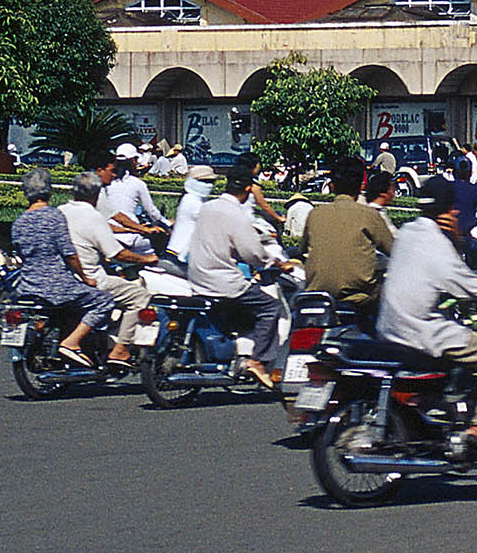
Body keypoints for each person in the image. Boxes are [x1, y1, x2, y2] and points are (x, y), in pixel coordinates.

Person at [375, 175, 477, 458]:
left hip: (390, 327)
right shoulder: (436, 242)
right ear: (447, 209)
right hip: (422, 331)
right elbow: (468, 285)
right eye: (453, 207)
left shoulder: (409, 231)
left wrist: (454, 239)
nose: (457, 211)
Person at [185, 160, 297, 389]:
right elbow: (253, 252)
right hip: (223, 281)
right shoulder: (238, 214)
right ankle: (257, 360)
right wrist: (275, 263)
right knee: (270, 307)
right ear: (248, 190)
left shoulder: (207, 207)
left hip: (197, 277)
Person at [10, 168, 119, 367]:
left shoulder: (19, 222)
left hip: (26, 285)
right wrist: (86, 278)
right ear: (49, 191)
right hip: (57, 286)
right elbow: (69, 253)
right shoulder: (54, 216)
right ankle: (72, 342)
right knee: (104, 300)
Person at [60, 173, 153, 369]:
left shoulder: (60, 211)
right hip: (92, 279)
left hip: (65, 278)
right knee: (139, 296)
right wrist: (147, 258)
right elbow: (117, 253)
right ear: (96, 194)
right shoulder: (94, 216)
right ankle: (120, 349)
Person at [301, 157, 393, 313]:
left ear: (331, 186)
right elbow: (394, 251)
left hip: (315, 298)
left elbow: (302, 248)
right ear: (361, 187)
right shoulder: (370, 215)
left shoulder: (315, 214)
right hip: (360, 301)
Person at [102, 144, 171, 255]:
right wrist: (167, 224)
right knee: (156, 249)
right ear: (133, 160)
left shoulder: (107, 182)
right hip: (129, 236)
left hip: (107, 233)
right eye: (137, 159)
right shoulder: (138, 183)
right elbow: (151, 211)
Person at [448, 155, 477, 269]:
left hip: (445, 237)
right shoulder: (475, 190)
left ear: (454, 172)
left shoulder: (446, 188)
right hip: (463, 238)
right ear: (470, 173)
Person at [165, 164, 218, 259]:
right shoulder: (192, 201)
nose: (209, 185)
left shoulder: (197, 199)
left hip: (187, 252)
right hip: (180, 253)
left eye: (211, 181)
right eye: (204, 181)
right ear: (192, 181)